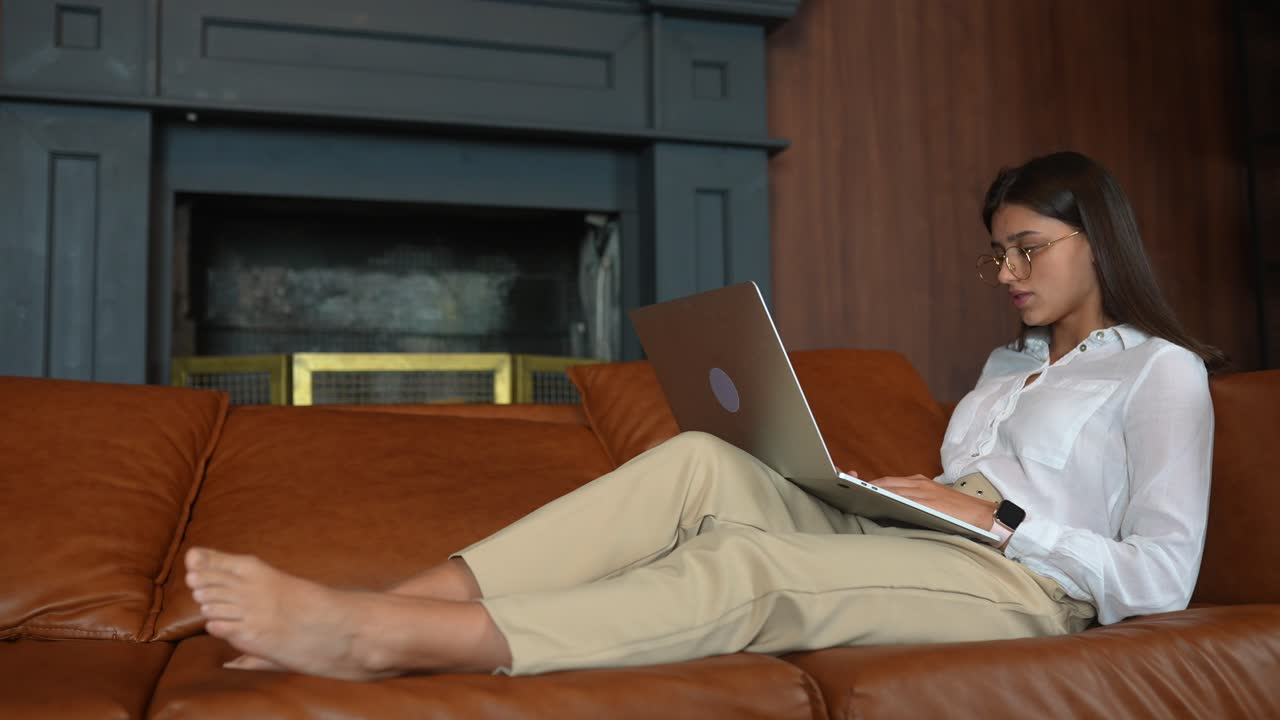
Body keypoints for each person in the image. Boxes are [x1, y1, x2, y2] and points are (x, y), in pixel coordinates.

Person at [184, 151, 1219, 681]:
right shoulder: (1002, 370)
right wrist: (883, 494)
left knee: (752, 565)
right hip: (925, 532)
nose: (1004, 272)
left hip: (1024, 585)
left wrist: (998, 521)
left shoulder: (1158, 373)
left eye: (1025, 248)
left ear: (1096, 240)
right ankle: (366, 604)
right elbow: (950, 497)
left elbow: (1159, 577)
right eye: (995, 252)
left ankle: (386, 636)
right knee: (699, 464)